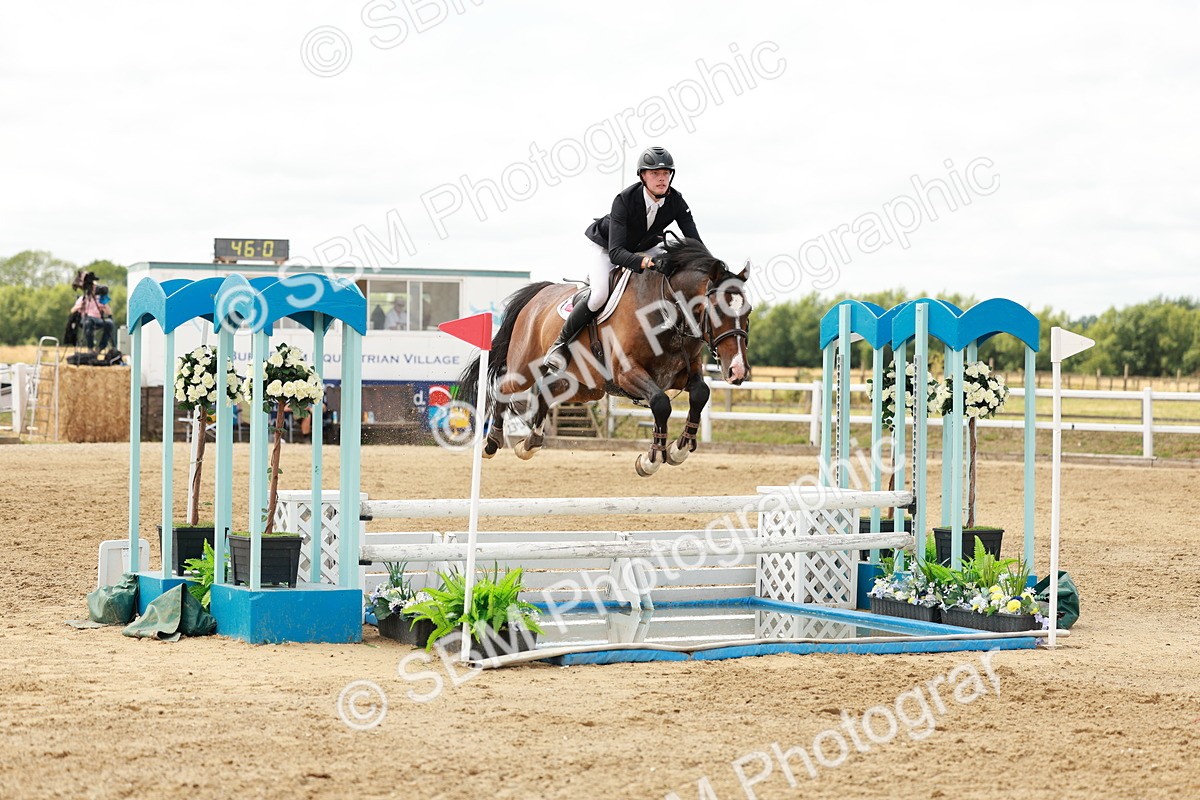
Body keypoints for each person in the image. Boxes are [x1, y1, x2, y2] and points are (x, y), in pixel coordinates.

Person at [543, 146, 703, 373]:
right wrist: (649, 263)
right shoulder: (624, 200)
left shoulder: (676, 201)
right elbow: (617, 252)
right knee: (598, 295)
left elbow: (695, 242)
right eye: (655, 173)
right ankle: (560, 344)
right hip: (607, 249)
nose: (662, 178)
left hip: (645, 247)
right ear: (643, 176)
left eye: (666, 173)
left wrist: (711, 267)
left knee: (673, 273)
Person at [72, 287, 116, 352]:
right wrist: (80, 305)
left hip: (98, 319)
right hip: (85, 319)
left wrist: (104, 302)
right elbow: (72, 310)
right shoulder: (83, 298)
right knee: (88, 322)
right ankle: (90, 347)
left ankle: (101, 347)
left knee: (109, 323)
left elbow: (109, 313)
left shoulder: (100, 299)